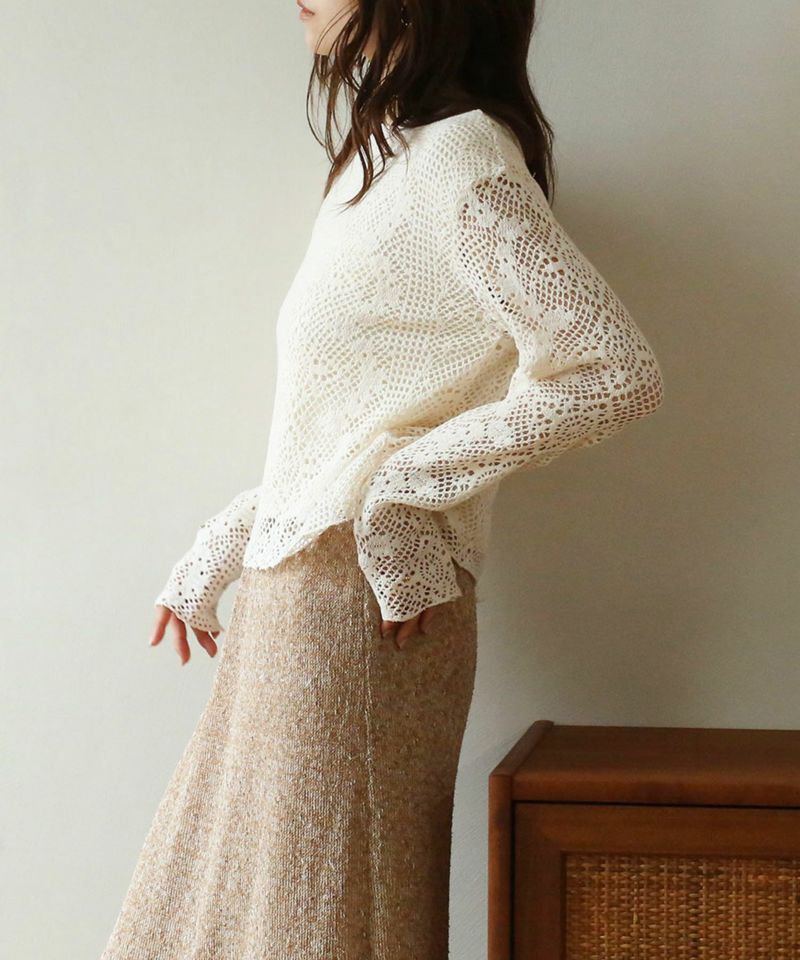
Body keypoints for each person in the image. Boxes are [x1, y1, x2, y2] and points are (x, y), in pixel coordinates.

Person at [101, 1, 665, 957]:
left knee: (317, 925)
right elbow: (341, 430)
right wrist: (234, 543)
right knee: (243, 917)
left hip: (355, 617)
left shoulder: (462, 160)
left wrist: (404, 494)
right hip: (302, 608)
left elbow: (612, 370)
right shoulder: (381, 165)